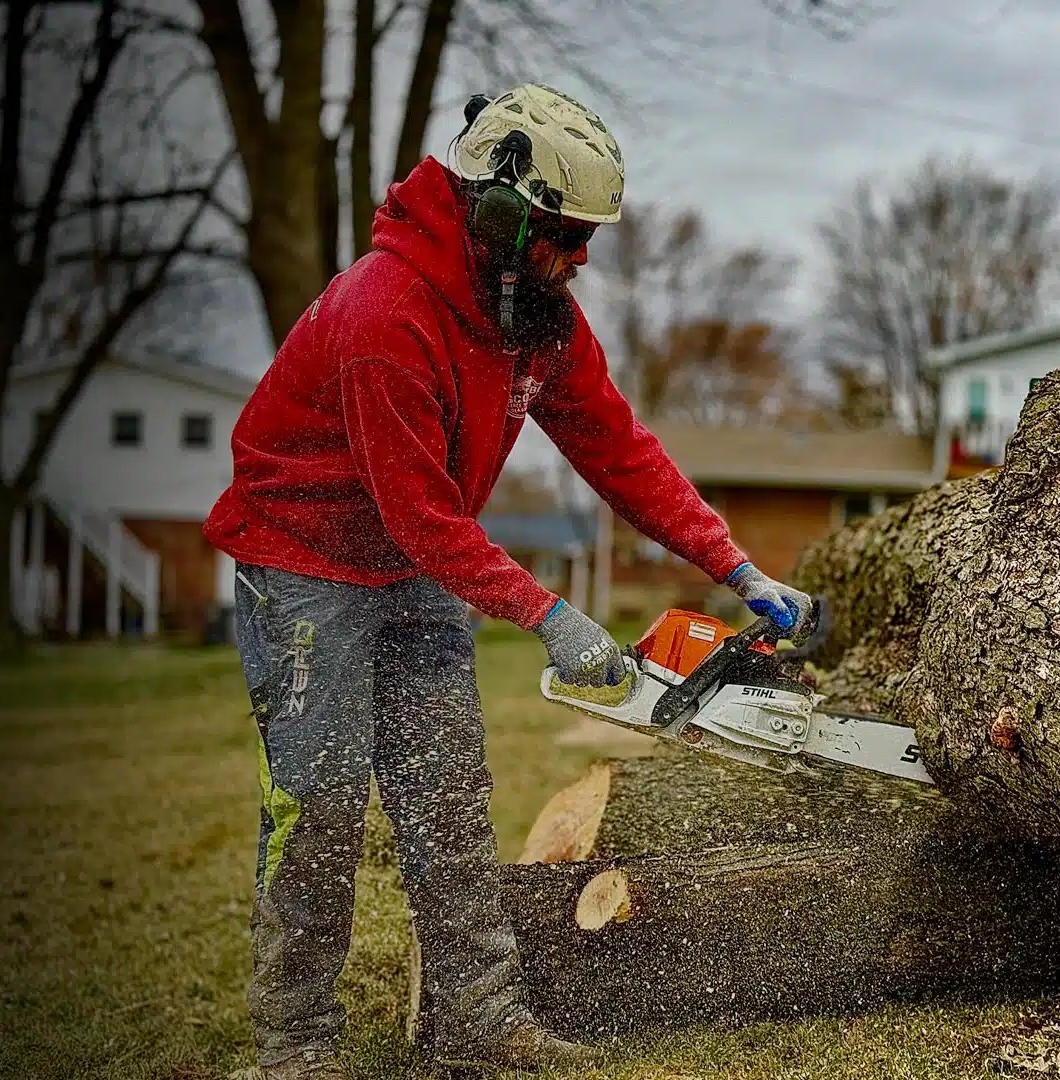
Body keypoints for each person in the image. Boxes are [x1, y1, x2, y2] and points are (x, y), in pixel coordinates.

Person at [206, 83, 817, 1080]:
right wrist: (548, 615)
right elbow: (419, 509)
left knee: (448, 798)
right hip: (304, 563)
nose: (580, 258)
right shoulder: (383, 314)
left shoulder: (535, 319)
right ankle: (296, 1048)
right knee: (317, 806)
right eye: (568, 234)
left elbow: (617, 448)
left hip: (416, 564)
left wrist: (732, 562)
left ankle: (478, 1023)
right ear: (504, 211)